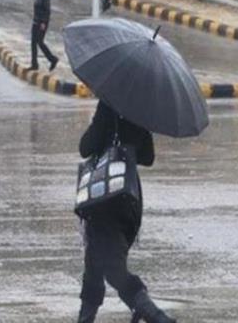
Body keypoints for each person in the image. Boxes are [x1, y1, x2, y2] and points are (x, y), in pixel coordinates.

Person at [77, 101, 177, 323]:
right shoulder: (141, 110)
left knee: (111, 266)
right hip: (129, 199)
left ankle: (152, 313)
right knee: (95, 260)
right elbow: (148, 157)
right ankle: (85, 318)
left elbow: (85, 147)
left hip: (104, 196)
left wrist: (100, 123)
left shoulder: (108, 106)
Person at [29, 0, 59, 72]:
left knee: (40, 42)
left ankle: (52, 59)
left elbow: (47, 11)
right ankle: (34, 64)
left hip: (42, 23)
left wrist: (43, 23)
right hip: (35, 21)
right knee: (33, 43)